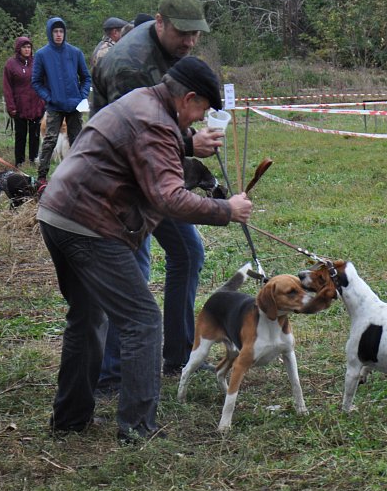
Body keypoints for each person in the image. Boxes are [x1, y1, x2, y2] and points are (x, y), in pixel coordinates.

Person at [38, 56, 253, 442]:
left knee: (87, 318)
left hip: (58, 213)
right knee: (142, 321)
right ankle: (137, 428)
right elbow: (170, 198)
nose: (199, 118)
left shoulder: (143, 100)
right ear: (188, 98)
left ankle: (70, 419)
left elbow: (148, 142)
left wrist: (189, 142)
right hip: (91, 224)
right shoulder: (156, 122)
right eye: (201, 110)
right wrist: (226, 209)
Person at [91, 0, 223, 397]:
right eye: (183, 33)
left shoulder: (170, 49)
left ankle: (179, 356)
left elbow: (169, 112)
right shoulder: (129, 66)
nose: (190, 41)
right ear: (160, 23)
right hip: (116, 180)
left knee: (188, 252)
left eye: (195, 34)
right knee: (132, 272)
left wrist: (189, 128)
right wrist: (189, 144)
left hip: (154, 174)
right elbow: (134, 138)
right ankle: (113, 375)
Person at [31, 17, 91, 188]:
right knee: (50, 140)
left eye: (61, 31)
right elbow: (36, 82)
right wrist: (49, 97)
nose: (58, 34)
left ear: (65, 33)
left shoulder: (75, 53)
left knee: (77, 141)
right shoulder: (42, 54)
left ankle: (79, 175)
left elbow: (86, 77)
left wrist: (82, 96)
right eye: (55, 31)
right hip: (55, 106)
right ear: (50, 33)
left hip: (74, 105)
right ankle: (42, 178)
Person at [3, 36, 45, 167]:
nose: (27, 49)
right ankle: (19, 162)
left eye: (29, 47)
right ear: (18, 48)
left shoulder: (37, 62)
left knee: (35, 135)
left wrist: (44, 101)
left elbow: (44, 82)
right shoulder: (11, 64)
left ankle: (33, 161)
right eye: (24, 47)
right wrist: (11, 106)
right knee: (20, 135)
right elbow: (7, 87)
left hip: (36, 105)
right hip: (19, 106)